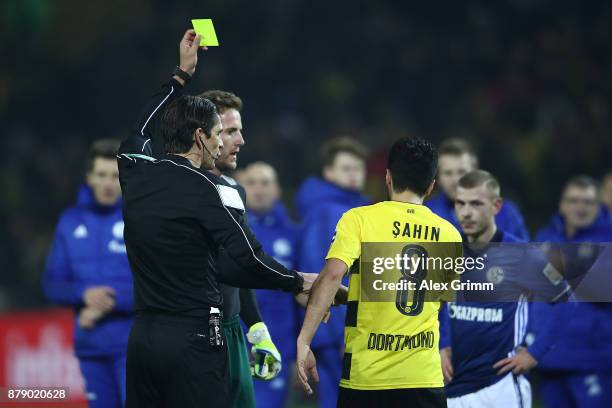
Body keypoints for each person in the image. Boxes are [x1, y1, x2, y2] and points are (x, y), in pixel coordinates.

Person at [117, 29, 310, 408]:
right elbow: (247, 260)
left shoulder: (133, 169)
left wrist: (179, 77)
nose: (223, 143)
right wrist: (296, 282)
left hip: (144, 338)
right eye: (220, 134)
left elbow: (142, 124)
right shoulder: (210, 189)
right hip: (196, 337)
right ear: (200, 136)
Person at [297, 137, 464, 407]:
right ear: (432, 186)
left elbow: (331, 275)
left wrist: (305, 340)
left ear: (387, 177)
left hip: (366, 377)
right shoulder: (450, 234)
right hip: (423, 378)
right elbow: (440, 297)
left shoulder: (359, 219)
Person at [439, 170, 570, 408]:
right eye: (460, 203)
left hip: (500, 387)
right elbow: (439, 303)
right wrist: (441, 343)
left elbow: (565, 299)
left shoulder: (521, 254)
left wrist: (535, 352)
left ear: (496, 206)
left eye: (476, 204)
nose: (466, 212)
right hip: (451, 386)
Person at [43, 139, 132, 408]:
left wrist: (108, 304)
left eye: (115, 176)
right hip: (90, 347)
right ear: (89, 178)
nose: (107, 183)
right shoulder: (69, 222)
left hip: (132, 347)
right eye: (101, 175)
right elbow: (51, 284)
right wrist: (83, 294)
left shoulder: (139, 219)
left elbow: (157, 284)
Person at [294, 136, 370, 408]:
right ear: (329, 172)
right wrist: (344, 334)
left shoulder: (356, 208)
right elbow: (324, 275)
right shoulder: (327, 212)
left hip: (343, 327)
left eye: (358, 168)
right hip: (338, 328)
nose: (354, 175)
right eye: (346, 168)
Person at [532, 176, 612, 408]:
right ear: (562, 205)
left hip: (592, 358)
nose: (580, 207)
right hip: (550, 357)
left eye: (588, 202)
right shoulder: (546, 237)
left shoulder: (607, 237)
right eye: (574, 200)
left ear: (598, 206)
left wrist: (561, 264)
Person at [242, 161, 301, 408]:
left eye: (265, 183)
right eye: (252, 183)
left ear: (277, 190)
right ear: (241, 188)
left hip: (279, 344)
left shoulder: (294, 235)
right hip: (235, 341)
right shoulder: (229, 231)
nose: (258, 189)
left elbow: (302, 294)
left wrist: (301, 348)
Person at [426, 138, 529, 241]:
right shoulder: (427, 215)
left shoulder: (506, 213)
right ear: (438, 177)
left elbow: (524, 254)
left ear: (475, 171)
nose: (455, 180)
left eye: (461, 172)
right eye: (448, 173)